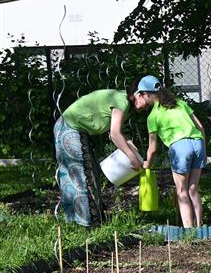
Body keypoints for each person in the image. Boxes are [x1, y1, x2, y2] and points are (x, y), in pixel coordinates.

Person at [54, 85, 147, 226]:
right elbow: (115, 135)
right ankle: (85, 223)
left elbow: (114, 132)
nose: (147, 109)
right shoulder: (122, 101)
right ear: (139, 94)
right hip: (70, 127)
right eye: (148, 102)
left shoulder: (123, 101)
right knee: (81, 176)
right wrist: (132, 158)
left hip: (75, 128)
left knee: (91, 173)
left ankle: (89, 220)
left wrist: (129, 145)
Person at [138, 76, 206, 228]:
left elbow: (153, 148)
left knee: (182, 191)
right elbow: (201, 127)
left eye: (141, 94)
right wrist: (204, 150)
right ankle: (200, 227)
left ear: (146, 94)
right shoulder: (180, 103)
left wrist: (146, 165)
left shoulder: (152, 116)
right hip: (198, 143)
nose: (142, 97)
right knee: (193, 188)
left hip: (180, 147)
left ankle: (189, 231)